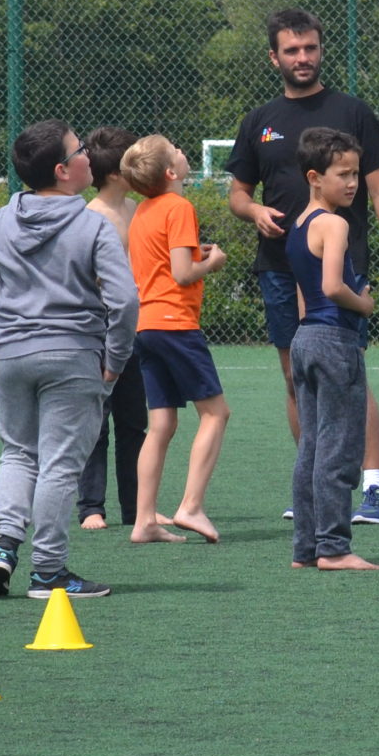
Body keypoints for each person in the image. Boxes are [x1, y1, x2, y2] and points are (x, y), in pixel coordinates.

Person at [226, 8, 379, 525]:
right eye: (292, 50)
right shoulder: (260, 121)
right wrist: (252, 211)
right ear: (274, 56)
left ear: (321, 50)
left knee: (350, 376)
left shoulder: (351, 111)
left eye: (310, 48)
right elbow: (237, 194)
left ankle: (375, 490)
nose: (302, 58)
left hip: (341, 268)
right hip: (278, 268)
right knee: (298, 379)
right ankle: (314, 485)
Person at [0, 120, 137, 601]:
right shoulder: (93, 224)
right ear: (63, 171)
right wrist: (115, 359)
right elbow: (124, 302)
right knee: (61, 464)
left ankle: (2, 548)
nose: (89, 156)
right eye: (80, 150)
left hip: (12, 355)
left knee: (18, 453)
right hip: (73, 355)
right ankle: (49, 572)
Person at [123, 135, 231, 545]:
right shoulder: (179, 206)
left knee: (162, 423)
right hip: (175, 324)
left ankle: (144, 519)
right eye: (178, 152)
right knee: (216, 414)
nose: (185, 154)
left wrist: (194, 255)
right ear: (171, 172)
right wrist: (214, 261)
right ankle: (191, 506)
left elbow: (163, 263)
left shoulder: (142, 212)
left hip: (146, 326)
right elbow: (183, 274)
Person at [285, 128, 379, 571]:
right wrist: (364, 304)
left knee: (311, 447)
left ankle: (305, 548)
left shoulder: (299, 224)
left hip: (304, 339)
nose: (353, 182)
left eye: (356, 173)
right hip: (334, 340)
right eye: (342, 174)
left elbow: (306, 292)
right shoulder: (335, 223)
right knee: (339, 448)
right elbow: (331, 286)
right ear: (314, 177)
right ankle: (335, 548)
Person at [75, 125, 148, 533]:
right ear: (117, 174)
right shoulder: (88, 217)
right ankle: (91, 507)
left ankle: (137, 508)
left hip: (136, 329)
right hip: (97, 331)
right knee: (95, 421)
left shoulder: (139, 210)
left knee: (134, 423)